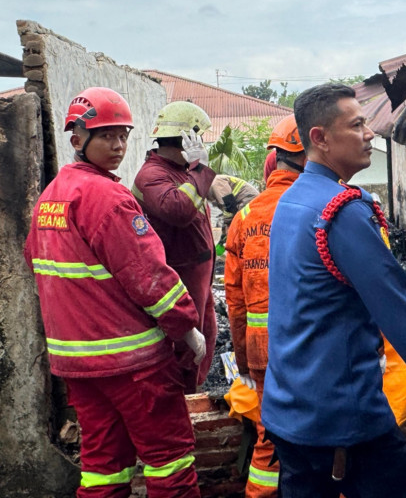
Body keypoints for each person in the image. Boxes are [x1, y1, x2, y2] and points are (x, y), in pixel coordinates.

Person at [263, 83, 406, 497]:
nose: (370, 133)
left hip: (289, 411)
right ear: (320, 138)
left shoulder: (293, 203)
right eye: (357, 124)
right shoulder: (340, 212)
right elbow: (400, 314)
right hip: (343, 422)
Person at [24, 87, 206, 497]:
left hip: (79, 365)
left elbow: (36, 264)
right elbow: (150, 278)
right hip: (132, 361)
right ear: (77, 140)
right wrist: (185, 327)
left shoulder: (50, 198)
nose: (119, 145)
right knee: (170, 462)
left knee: (103, 466)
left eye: (123, 134)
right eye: (107, 135)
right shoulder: (107, 197)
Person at [224, 114, 306, 497]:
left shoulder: (244, 216)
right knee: (332, 442)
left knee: (269, 437)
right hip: (312, 350)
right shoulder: (326, 208)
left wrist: (242, 362)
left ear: (273, 160)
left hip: (261, 350)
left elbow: (235, 303)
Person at [132, 101, 217, 393]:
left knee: (206, 335)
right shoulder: (152, 175)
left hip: (199, 271)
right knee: (187, 344)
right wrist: (200, 169)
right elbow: (179, 210)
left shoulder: (179, 170)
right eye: (197, 137)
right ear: (185, 140)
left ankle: (194, 392)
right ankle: (184, 400)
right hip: (180, 273)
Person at [207, 174, 259, 246]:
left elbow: (230, 206)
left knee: (240, 230)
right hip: (242, 202)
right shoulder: (213, 187)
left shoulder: (216, 183)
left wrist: (227, 227)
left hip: (248, 200)